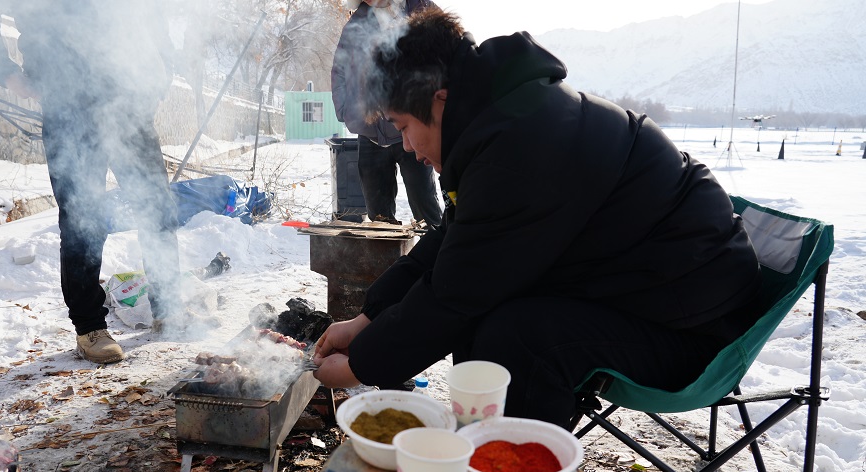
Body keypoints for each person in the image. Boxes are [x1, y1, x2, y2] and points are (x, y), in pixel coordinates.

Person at [312, 9, 763, 427]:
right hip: (647, 291)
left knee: (515, 337)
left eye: (404, 127)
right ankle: (486, 448)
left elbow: (457, 293)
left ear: (440, 98)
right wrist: (367, 320)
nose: (407, 147)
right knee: (488, 316)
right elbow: (454, 245)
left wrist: (360, 367)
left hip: (693, 329)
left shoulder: (522, 146)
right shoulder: (505, 121)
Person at [0, 0, 183, 364]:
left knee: (157, 206)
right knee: (84, 217)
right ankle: (90, 328)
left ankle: (169, 308)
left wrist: (161, 70)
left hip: (129, 100)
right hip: (69, 100)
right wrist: (5, 71)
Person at [332, 0, 443, 228]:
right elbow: (339, 69)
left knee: (426, 211)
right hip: (370, 133)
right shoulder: (356, 22)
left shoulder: (419, 7)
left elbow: (448, 53)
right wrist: (346, 112)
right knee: (379, 221)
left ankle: (437, 249)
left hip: (414, 128)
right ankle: (388, 254)